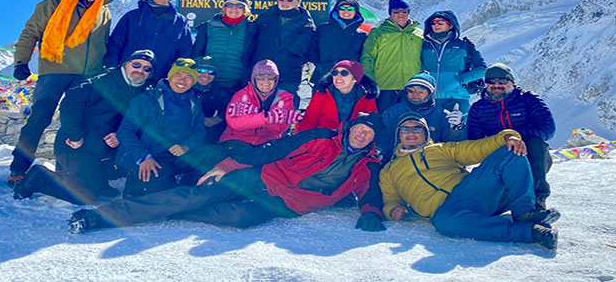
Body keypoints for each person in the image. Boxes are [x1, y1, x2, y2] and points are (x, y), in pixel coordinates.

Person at [67, 113, 387, 234]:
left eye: (367, 134)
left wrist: (371, 211)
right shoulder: (319, 137)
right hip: (260, 176)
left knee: (237, 220)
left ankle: (169, 210)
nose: (361, 135)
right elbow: (273, 149)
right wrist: (228, 165)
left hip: (286, 203)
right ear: (349, 129)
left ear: (372, 140)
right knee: (198, 193)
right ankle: (103, 217)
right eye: (358, 129)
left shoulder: (365, 166)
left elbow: (370, 192)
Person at [380, 113, 559, 250]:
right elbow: (390, 198)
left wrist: (506, 137)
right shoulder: (389, 170)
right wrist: (392, 210)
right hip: (445, 211)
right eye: (405, 130)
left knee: (509, 151)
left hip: (472, 192)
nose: (411, 133)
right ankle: (532, 232)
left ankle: (524, 212)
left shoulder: (439, 149)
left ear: (425, 133)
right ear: (399, 135)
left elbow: (475, 149)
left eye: (417, 129)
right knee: (444, 224)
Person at [9, 0, 112, 187]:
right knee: (39, 118)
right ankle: (18, 167)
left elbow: (103, 44)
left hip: (87, 75)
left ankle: (68, 171)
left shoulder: (103, 11)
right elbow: (30, 33)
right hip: (54, 70)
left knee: (76, 123)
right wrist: (21, 62)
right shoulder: (51, 5)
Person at [12, 50, 155, 204]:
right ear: (125, 64)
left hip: (100, 149)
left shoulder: (141, 91)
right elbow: (70, 103)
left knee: (98, 185)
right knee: (84, 196)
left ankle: (95, 182)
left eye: (146, 69)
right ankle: (38, 177)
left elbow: (135, 120)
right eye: (136, 65)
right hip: (76, 145)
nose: (140, 70)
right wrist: (74, 135)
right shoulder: (103, 81)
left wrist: (118, 133)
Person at [467, 63, 556, 209]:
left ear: (512, 83)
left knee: (535, 143)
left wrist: (515, 136)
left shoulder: (528, 99)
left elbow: (548, 129)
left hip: (530, 153)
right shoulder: (478, 108)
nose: (497, 85)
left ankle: (538, 199)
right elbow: (474, 141)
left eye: (502, 81)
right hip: (500, 154)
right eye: (491, 82)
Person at [115, 58, 206, 197]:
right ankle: (139, 183)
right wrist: (143, 157)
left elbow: (199, 131)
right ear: (170, 77)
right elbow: (126, 131)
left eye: (188, 77)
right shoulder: (147, 99)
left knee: (212, 157)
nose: (182, 81)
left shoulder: (193, 101)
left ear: (194, 81)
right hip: (149, 152)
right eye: (178, 75)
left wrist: (186, 146)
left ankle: (182, 183)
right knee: (157, 192)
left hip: (177, 154)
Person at [103, 0, 192, 80]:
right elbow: (115, 43)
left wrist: (176, 75)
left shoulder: (180, 22)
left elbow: (185, 50)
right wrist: (112, 67)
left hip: (161, 77)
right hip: (128, 75)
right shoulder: (132, 16)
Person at [191, 0, 259, 112]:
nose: (234, 8)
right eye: (229, 5)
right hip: (207, 82)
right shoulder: (208, 26)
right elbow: (197, 54)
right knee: (203, 120)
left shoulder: (252, 29)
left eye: (239, 5)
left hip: (234, 84)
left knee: (226, 121)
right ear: (224, 8)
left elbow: (252, 57)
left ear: (245, 9)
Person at [252, 0, 316, 103]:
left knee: (285, 107)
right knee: (259, 107)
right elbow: (251, 42)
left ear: (298, 2)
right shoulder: (265, 18)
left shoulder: (306, 25)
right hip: (263, 73)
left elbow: (310, 50)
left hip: (289, 74)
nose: (285, 2)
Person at [360, 0, 423, 114]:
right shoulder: (378, 32)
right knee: (385, 121)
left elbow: (425, 59)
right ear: (390, 13)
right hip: (385, 87)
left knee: (409, 122)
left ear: (408, 13)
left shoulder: (419, 34)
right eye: (396, 11)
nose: (400, 14)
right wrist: (371, 82)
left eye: (404, 11)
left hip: (413, 88)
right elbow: (367, 58)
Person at [420, 10, 486, 114]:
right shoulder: (424, 46)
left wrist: (460, 79)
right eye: (433, 23)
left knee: (458, 129)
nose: (436, 25)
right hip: (428, 99)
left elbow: (482, 69)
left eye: (440, 22)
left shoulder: (464, 46)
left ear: (451, 25)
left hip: (458, 98)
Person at [382, 72, 466, 147]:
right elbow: (385, 139)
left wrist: (457, 128)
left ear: (432, 93)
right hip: (399, 158)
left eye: (421, 91)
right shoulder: (392, 112)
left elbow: (454, 146)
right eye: (410, 91)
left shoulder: (443, 115)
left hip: (433, 159)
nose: (415, 94)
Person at [297, 60, 377, 133]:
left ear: (355, 79)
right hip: (323, 140)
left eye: (344, 73)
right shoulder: (322, 94)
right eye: (335, 73)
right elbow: (309, 121)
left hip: (351, 142)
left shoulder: (367, 97)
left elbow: (371, 126)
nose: (338, 77)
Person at [310, 0, 367, 85]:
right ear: (337, 10)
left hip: (349, 80)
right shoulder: (324, 29)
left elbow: (364, 58)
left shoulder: (361, 35)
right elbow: (312, 49)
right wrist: (321, 65)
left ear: (356, 11)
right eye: (342, 8)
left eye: (350, 8)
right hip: (324, 77)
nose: (346, 11)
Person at [190, 56, 227, 143]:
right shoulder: (184, 86)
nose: (206, 75)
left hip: (204, 131)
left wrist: (217, 119)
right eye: (201, 70)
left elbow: (228, 110)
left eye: (211, 72)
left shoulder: (218, 92)